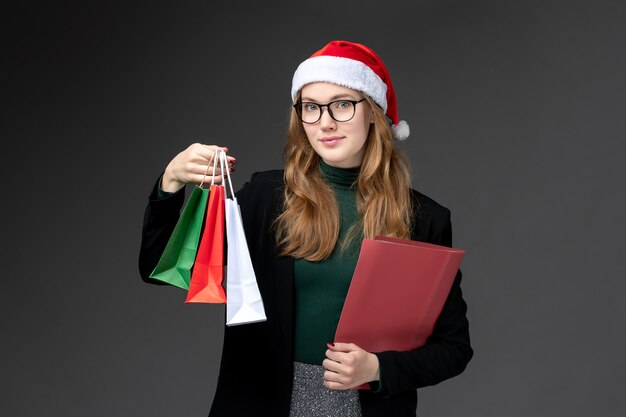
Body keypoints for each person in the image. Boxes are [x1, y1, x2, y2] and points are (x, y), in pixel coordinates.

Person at [139, 40, 472, 417]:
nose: (325, 121)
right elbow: (162, 270)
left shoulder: (423, 218)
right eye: (311, 108)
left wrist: (379, 369)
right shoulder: (265, 198)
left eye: (342, 104)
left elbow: (454, 348)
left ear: (374, 113)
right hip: (261, 404)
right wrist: (170, 183)